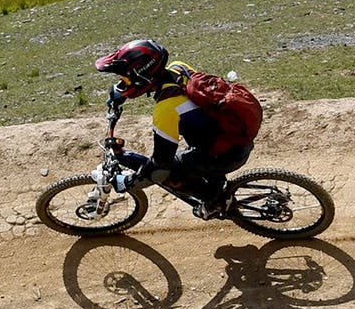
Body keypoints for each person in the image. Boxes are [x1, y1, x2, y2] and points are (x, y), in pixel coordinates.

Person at [95, 38, 254, 217]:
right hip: (232, 137)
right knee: (184, 157)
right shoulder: (178, 68)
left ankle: (216, 201)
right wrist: (118, 94)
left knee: (170, 174)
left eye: (125, 77)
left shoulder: (167, 108)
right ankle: (214, 185)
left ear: (142, 76)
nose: (122, 81)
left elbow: (160, 166)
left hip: (225, 155)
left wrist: (128, 182)